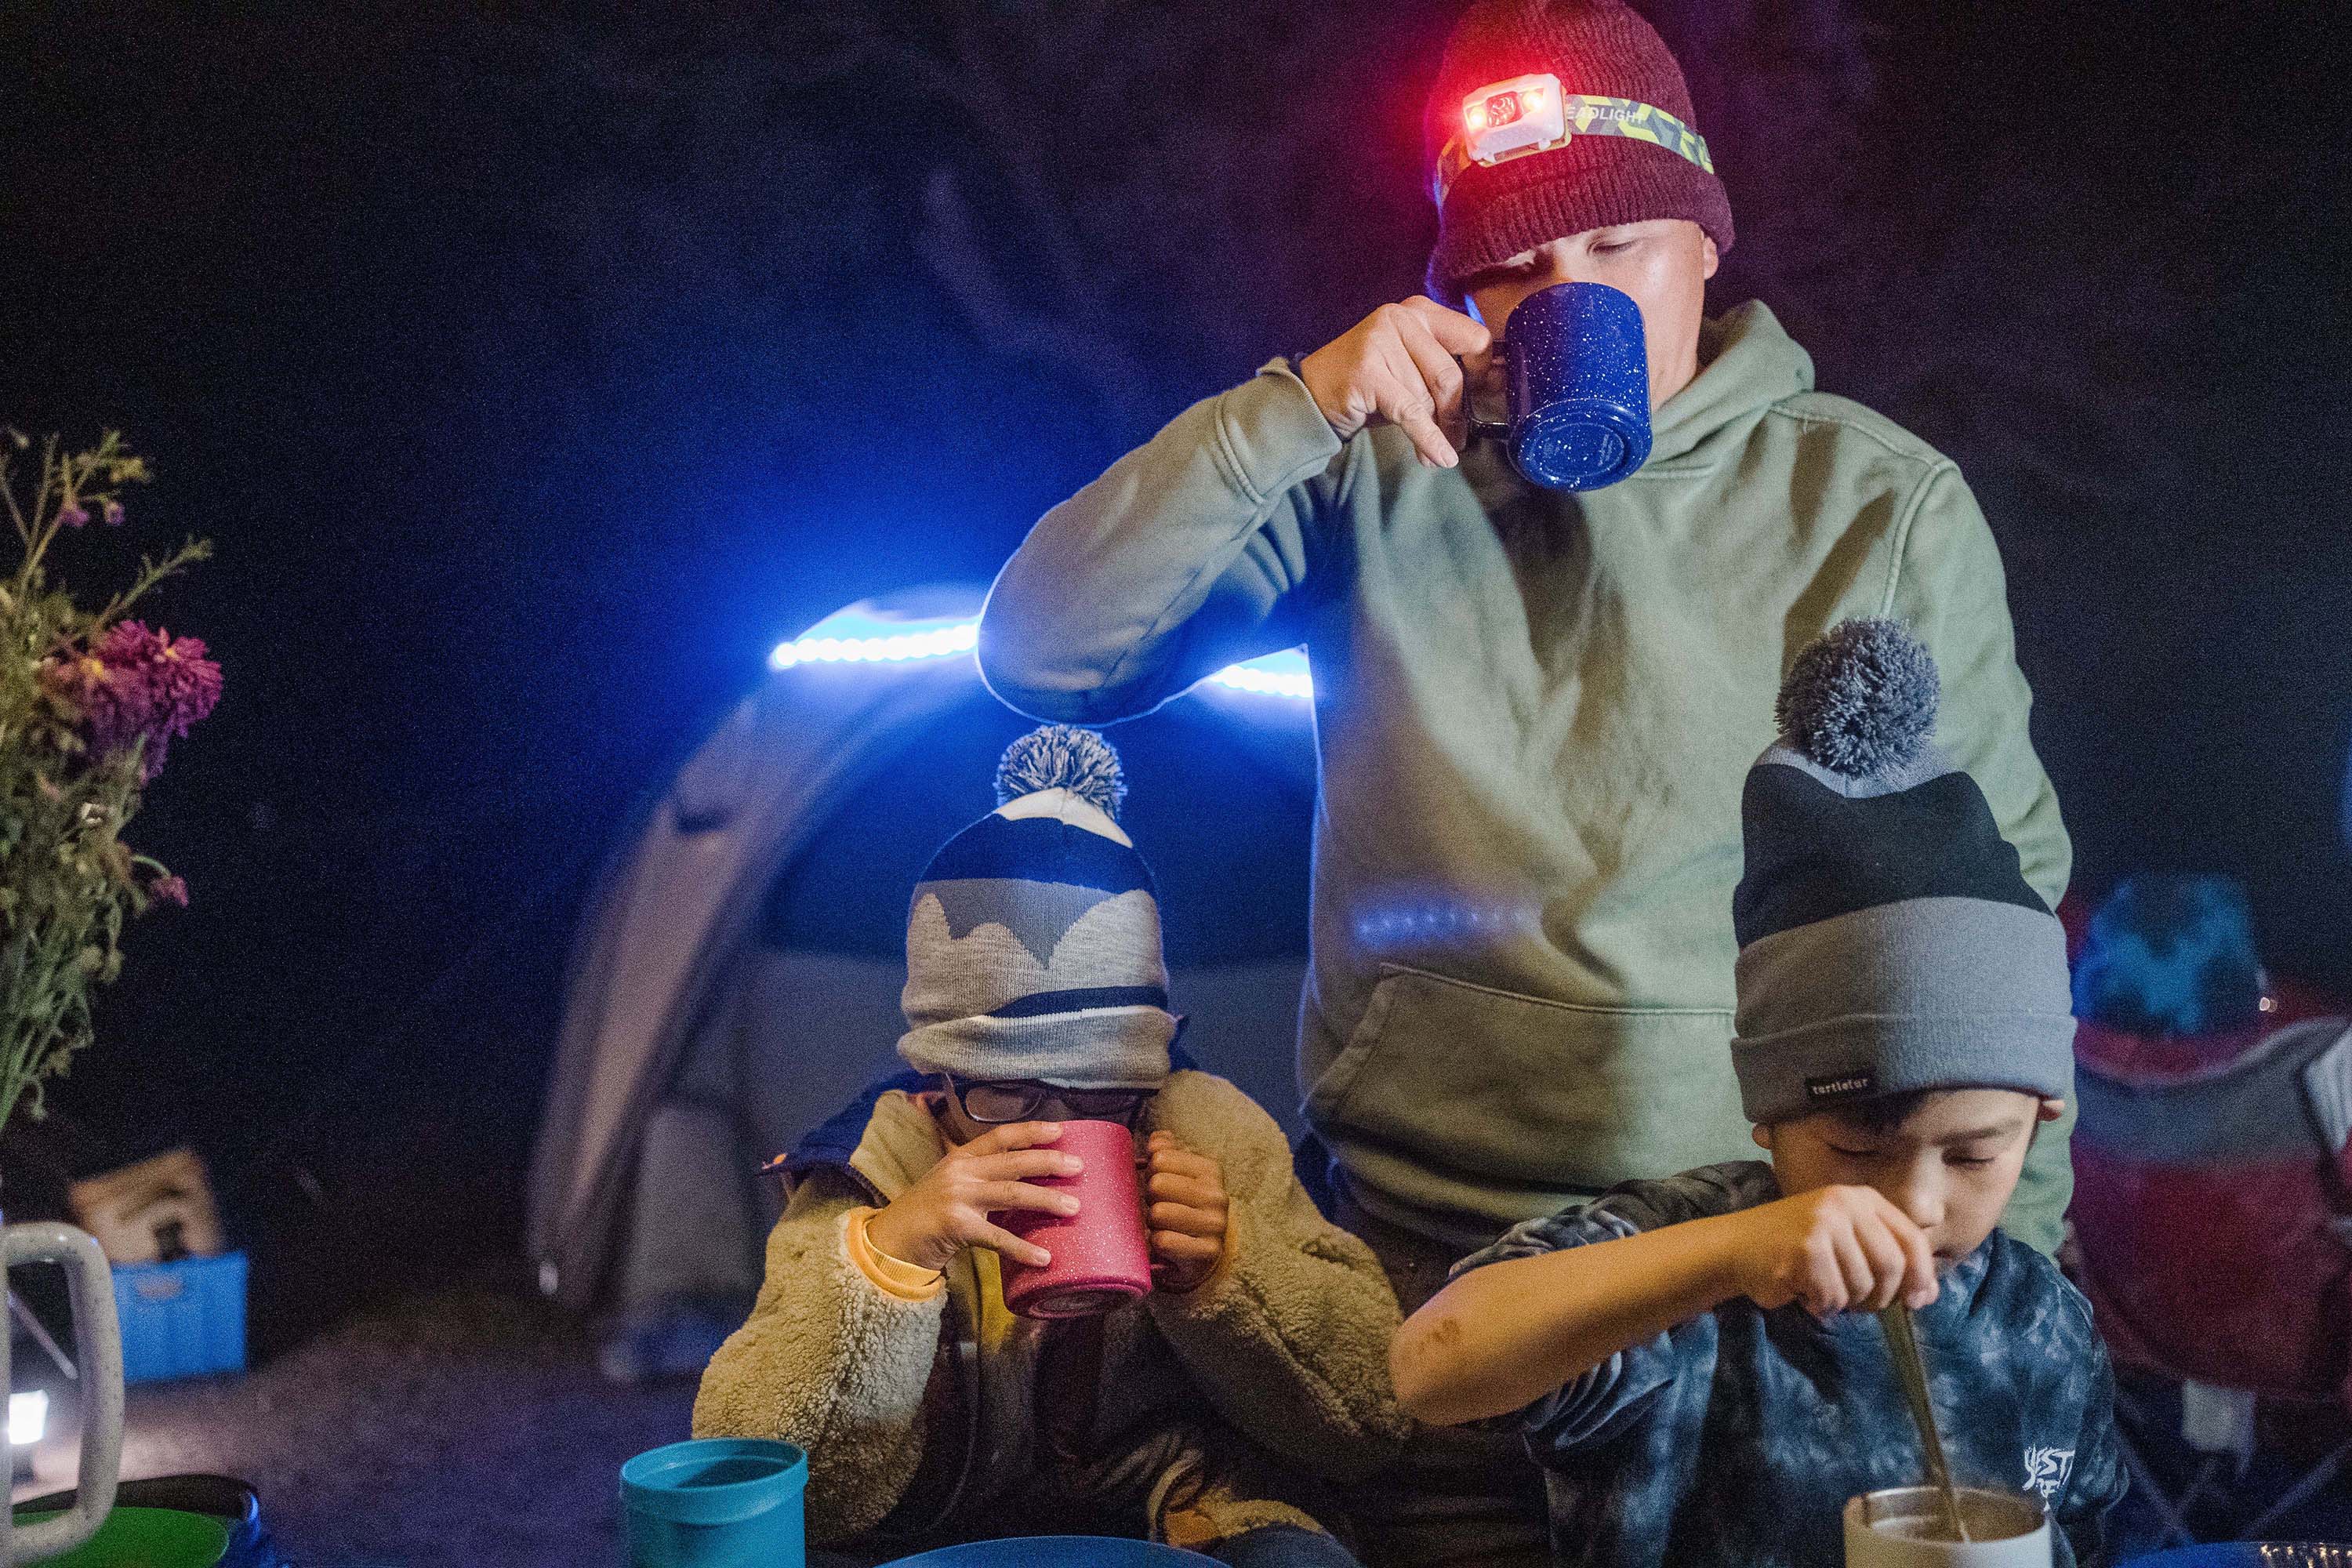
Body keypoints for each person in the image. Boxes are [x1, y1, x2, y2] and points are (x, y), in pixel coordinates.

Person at [977, 0, 2074, 1292]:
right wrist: (1302, 403)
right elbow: (1045, 654)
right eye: (1517, 266)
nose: (1574, 295)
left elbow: (2004, 914)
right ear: (1462, 289)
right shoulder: (1375, 470)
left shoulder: (1876, 504)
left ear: (1706, 244)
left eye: (1620, 242)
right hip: (1419, 1242)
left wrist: (2014, 1297)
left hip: (1749, 1245)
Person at [1386, 622, 2125, 1568]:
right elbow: (1431, 1364)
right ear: (1769, 1114)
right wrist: (1731, 1252)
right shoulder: (1686, 1284)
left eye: (1975, 1152)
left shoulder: (2042, 1328)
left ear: (2041, 1119)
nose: (1914, 1201)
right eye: (1858, 1147)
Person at [693, 726, 1407, 1567]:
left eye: (1103, 1093)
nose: (1056, 1123)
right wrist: (890, 1253)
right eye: (1005, 1093)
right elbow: (760, 1470)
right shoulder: (872, 1169)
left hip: (1177, 1501)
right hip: (931, 1523)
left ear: (1149, 1065)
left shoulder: (1204, 1129)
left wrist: (1230, 1272)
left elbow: (1372, 1420)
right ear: (939, 1078)